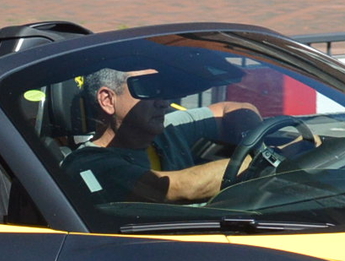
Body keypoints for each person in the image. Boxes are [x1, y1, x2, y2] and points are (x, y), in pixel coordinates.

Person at [58, 67, 263, 205]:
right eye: (148, 90)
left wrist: (256, 141)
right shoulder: (88, 165)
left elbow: (236, 109)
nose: (163, 102)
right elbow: (177, 188)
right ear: (108, 100)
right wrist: (268, 161)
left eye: (162, 90)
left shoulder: (167, 128)